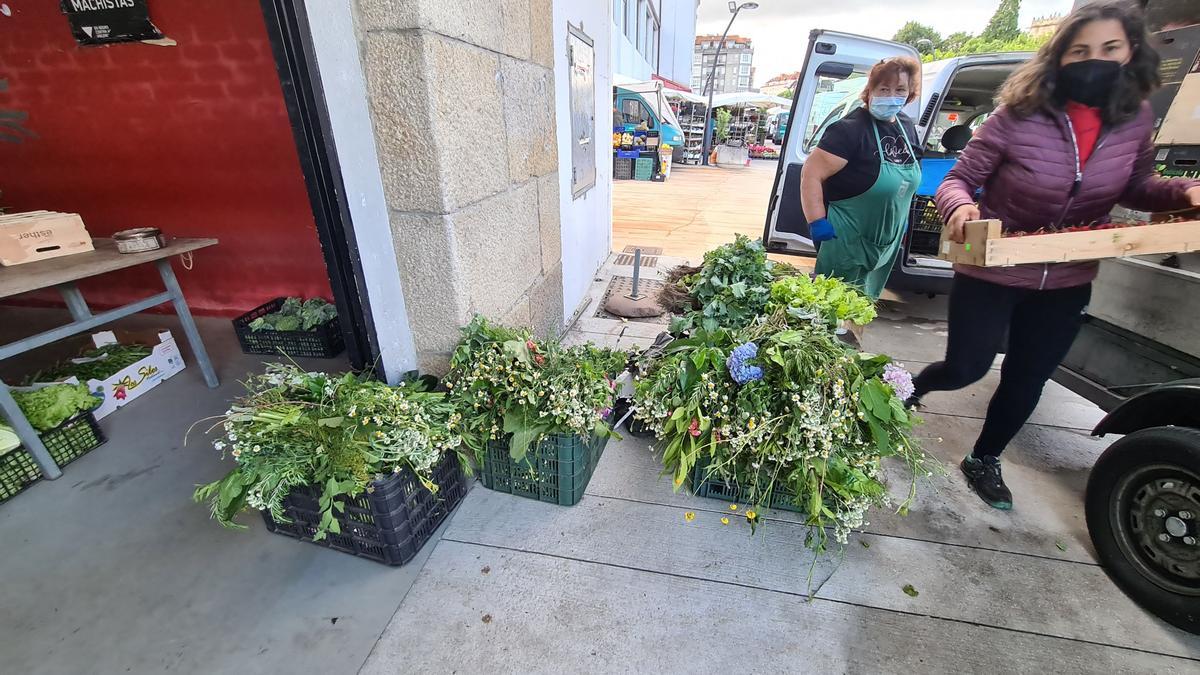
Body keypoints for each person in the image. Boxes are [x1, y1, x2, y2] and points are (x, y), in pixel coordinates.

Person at [911, 0, 1200, 510]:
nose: (1096, 60)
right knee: (966, 368)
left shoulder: (1134, 121)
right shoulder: (1016, 116)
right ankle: (913, 389)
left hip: (1066, 279)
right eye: (1081, 50)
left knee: (1028, 377)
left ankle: (983, 458)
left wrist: (1182, 194)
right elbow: (960, 179)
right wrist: (958, 206)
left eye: (1110, 48)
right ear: (1059, 56)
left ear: (1132, 52)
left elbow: (1137, 188)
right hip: (993, 269)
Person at [800, 57, 923, 300]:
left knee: (863, 304)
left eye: (899, 90)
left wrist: (903, 217)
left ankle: (854, 336)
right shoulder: (848, 130)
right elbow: (811, 174)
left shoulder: (905, 126)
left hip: (885, 241)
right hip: (847, 238)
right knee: (834, 307)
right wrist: (816, 221)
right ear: (870, 91)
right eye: (884, 89)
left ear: (909, 94)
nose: (891, 96)